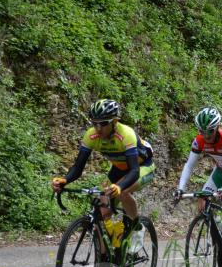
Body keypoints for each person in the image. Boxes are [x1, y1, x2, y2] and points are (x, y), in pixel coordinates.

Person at [51, 99, 154, 253]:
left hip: (142, 167)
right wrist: (65, 180)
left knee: (123, 192)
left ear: (115, 122)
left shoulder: (126, 134)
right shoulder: (91, 136)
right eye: (94, 123)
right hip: (118, 169)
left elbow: (133, 172)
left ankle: (136, 227)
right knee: (101, 214)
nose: (98, 128)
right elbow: (78, 168)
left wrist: (119, 186)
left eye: (103, 123)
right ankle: (105, 262)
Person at [174, 107, 222, 267]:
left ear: (217, 127)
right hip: (221, 171)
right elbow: (189, 165)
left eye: (209, 131)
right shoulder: (199, 141)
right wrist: (180, 188)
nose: (206, 135)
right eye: (202, 131)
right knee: (202, 202)